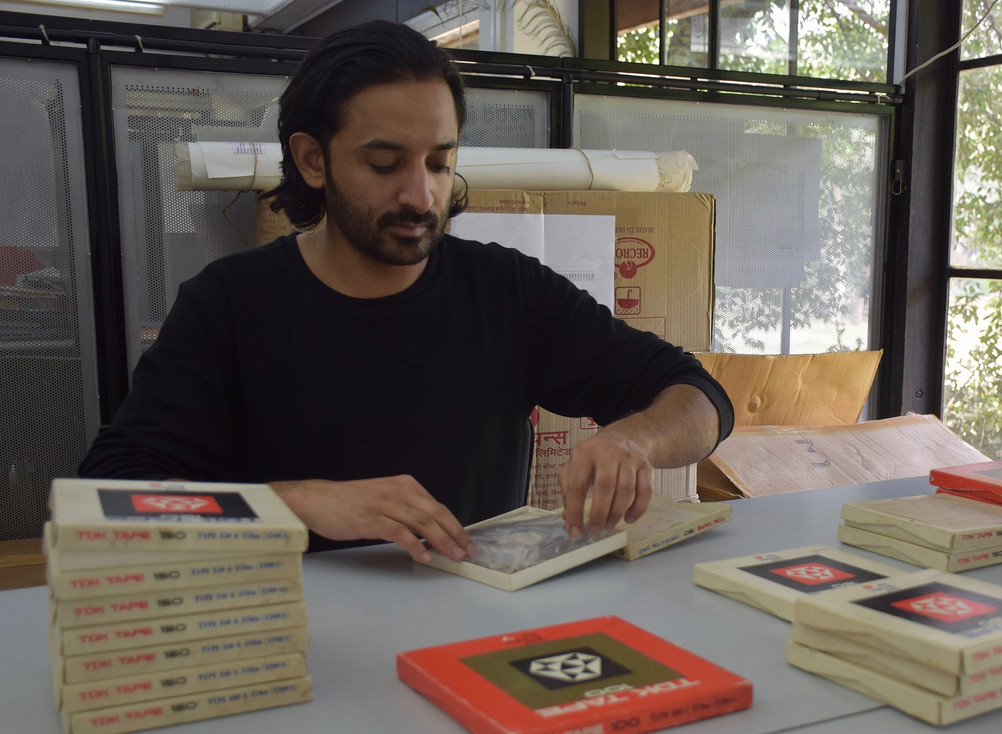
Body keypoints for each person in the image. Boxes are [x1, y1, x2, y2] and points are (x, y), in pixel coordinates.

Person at [79, 20, 733, 563]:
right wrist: (298, 502)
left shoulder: (506, 291)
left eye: (440, 163)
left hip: (475, 630)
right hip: (294, 640)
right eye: (385, 164)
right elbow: (110, 495)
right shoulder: (228, 305)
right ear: (313, 159)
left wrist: (635, 442)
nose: (421, 195)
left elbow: (699, 397)